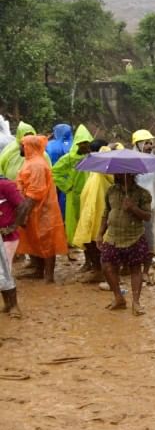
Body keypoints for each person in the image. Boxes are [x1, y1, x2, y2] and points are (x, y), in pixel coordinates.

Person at [15, 135, 68, 283]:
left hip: (42, 208)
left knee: (46, 240)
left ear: (29, 146)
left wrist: (23, 212)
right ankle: (38, 270)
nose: (20, 148)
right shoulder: (30, 161)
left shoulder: (37, 164)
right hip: (32, 207)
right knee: (33, 239)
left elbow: (35, 191)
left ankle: (49, 276)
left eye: (22, 145)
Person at [99, 173, 152, 314]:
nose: (119, 175)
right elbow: (106, 212)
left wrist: (133, 208)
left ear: (131, 175)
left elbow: (147, 216)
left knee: (135, 269)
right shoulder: (111, 191)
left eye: (124, 174)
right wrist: (100, 233)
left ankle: (136, 302)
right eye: (118, 173)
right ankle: (118, 297)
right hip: (113, 237)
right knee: (107, 266)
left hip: (134, 236)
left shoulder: (143, 193)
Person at [72, 142, 118, 276]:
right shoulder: (95, 169)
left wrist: (108, 149)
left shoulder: (105, 169)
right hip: (90, 208)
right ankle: (97, 269)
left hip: (100, 208)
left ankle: (102, 272)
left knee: (99, 240)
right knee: (89, 240)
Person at [130, 129, 155, 277]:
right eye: (146, 143)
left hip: (150, 209)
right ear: (138, 144)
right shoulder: (130, 162)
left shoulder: (154, 163)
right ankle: (131, 269)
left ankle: (145, 271)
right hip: (132, 208)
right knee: (132, 239)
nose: (149, 146)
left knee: (149, 239)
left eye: (150, 143)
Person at [51, 126, 94, 249]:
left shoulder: (93, 158)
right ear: (77, 143)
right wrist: (68, 187)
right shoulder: (69, 158)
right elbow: (55, 172)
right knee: (74, 222)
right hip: (74, 195)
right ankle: (79, 247)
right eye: (82, 143)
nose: (85, 146)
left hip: (90, 194)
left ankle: (90, 255)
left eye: (86, 143)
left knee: (89, 224)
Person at [0, 174, 29, 316]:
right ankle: (8, 305)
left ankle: (14, 306)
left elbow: (23, 205)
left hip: (6, 237)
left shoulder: (5, 185)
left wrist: (13, 226)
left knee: (4, 271)